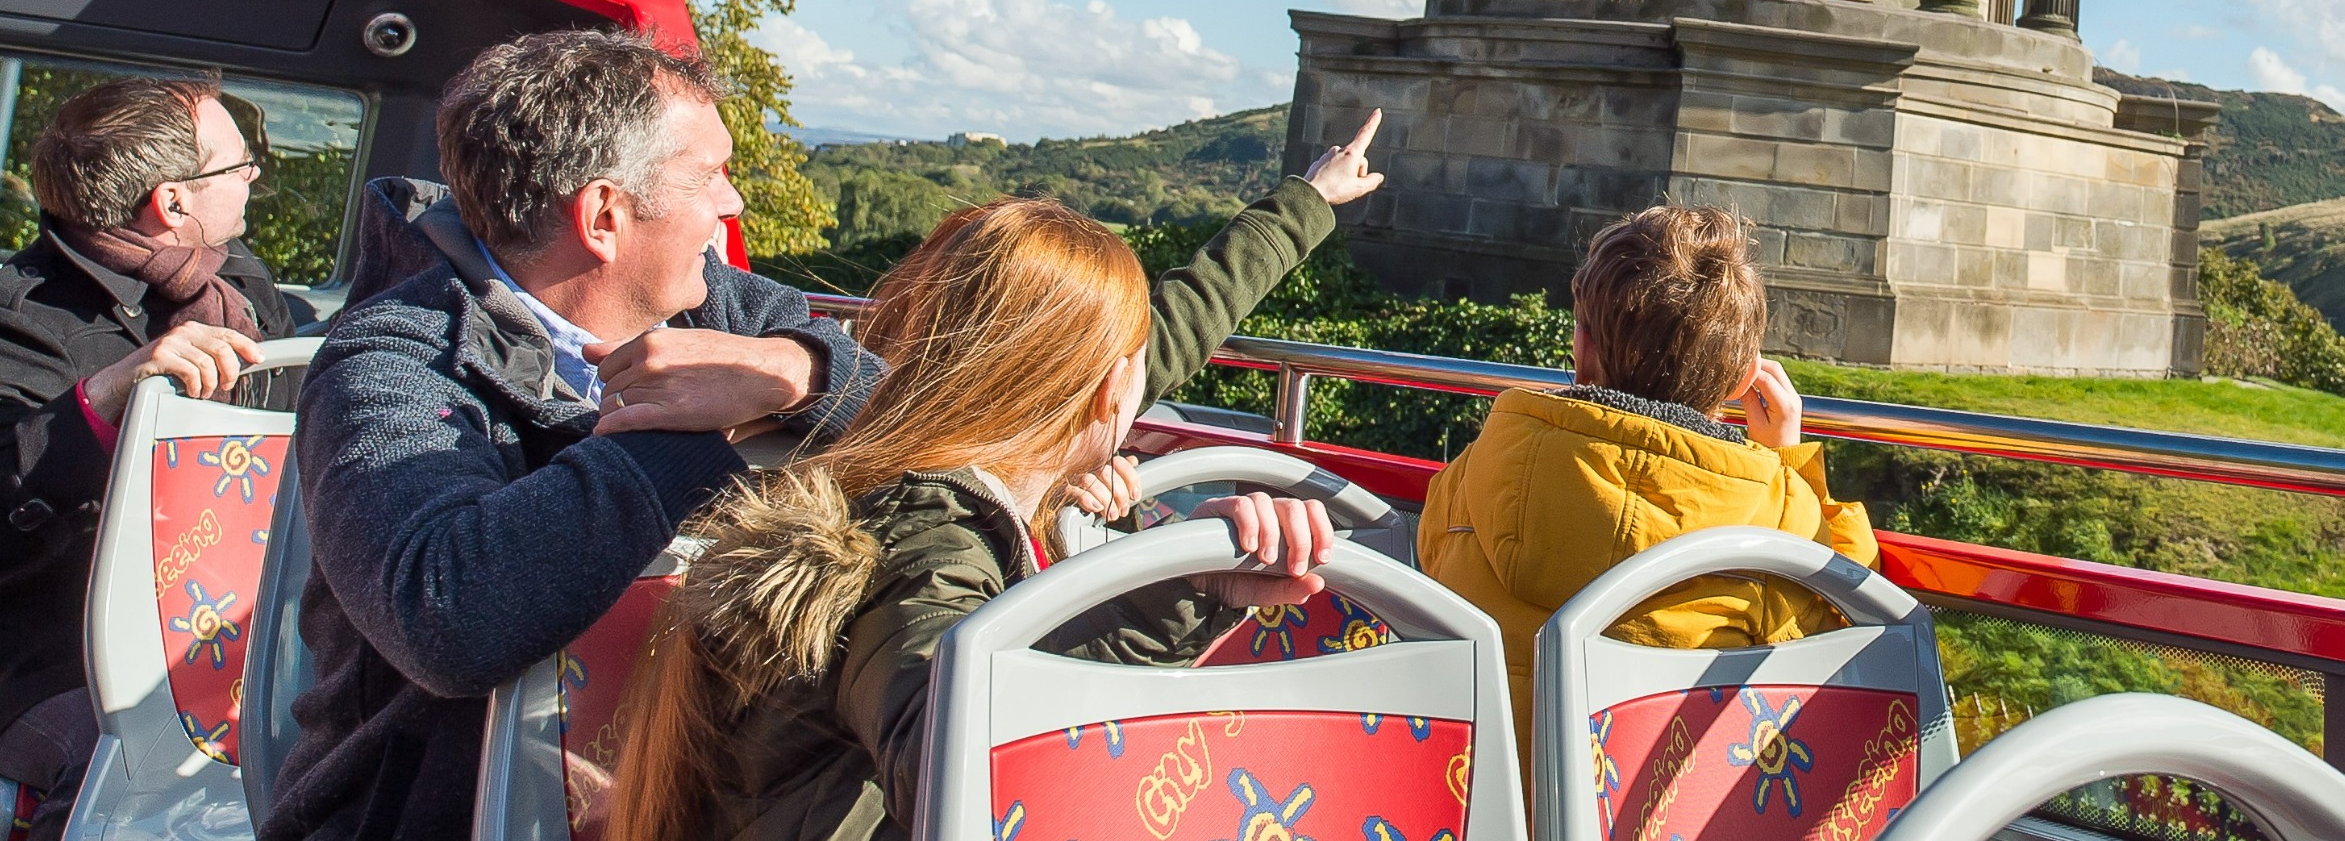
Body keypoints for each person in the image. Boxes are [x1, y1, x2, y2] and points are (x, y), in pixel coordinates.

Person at [606, 118, 1389, 841]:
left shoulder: (909, 468)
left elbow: (989, 692)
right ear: (1111, 391)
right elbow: (961, 772)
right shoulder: (928, 532)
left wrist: (1189, 588)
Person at [266, 29, 886, 841]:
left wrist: (796, 372)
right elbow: (448, 614)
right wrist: (701, 429)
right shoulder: (391, 360)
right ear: (603, 215)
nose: (731, 203)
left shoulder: (722, 309)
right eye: (709, 175)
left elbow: (908, 402)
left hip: (677, 801)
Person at [0, 74, 299, 841]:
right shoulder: (10, 319)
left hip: (240, 638)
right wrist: (100, 403)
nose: (254, 176)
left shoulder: (241, 283)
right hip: (56, 653)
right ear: (173, 202)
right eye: (237, 165)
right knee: (123, 780)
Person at [1416, 203, 1880, 773]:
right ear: (1743, 378)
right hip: (1656, 813)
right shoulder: (1777, 516)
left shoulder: (1481, 466)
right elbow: (1853, 623)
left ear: (1581, 348)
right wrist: (1788, 462)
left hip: (1470, 798)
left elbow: (1429, 560)